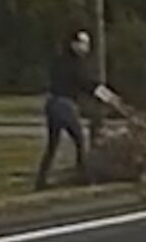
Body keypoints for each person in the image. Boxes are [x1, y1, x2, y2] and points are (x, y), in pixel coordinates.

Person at [34, 30, 121, 190]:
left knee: (53, 144)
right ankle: (84, 176)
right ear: (74, 44)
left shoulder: (60, 61)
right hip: (65, 105)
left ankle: (41, 180)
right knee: (80, 140)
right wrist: (108, 97)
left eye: (86, 43)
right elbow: (87, 83)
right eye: (83, 43)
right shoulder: (75, 64)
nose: (86, 47)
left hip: (52, 103)